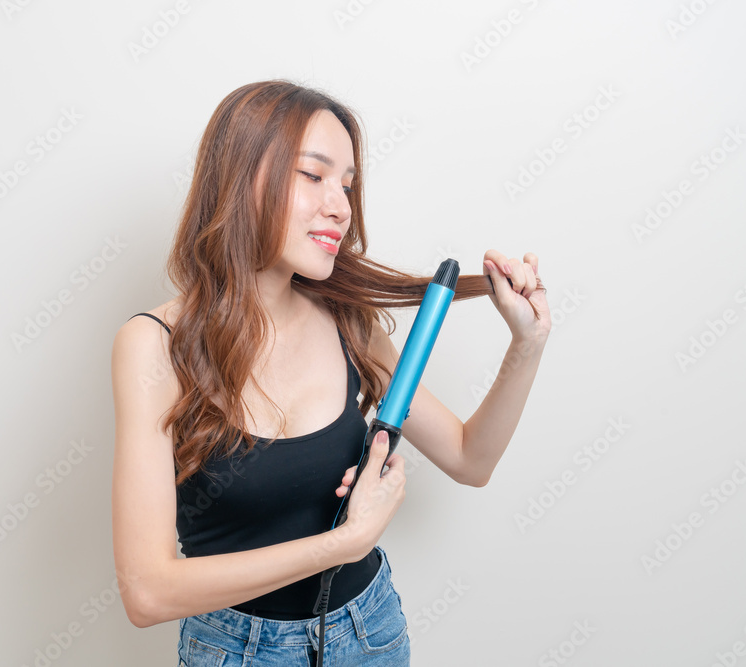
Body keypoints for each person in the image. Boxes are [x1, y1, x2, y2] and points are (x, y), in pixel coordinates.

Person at [111, 79, 550, 666]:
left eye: (347, 184)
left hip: (369, 634)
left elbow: (471, 460)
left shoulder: (347, 321)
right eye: (313, 175)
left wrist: (528, 343)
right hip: (237, 651)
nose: (341, 206)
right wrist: (344, 543)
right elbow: (146, 592)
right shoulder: (155, 346)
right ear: (240, 180)